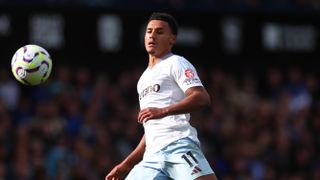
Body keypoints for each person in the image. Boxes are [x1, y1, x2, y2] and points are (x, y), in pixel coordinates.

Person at [106, 12, 217, 180]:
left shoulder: (176, 62)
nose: (152, 36)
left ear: (172, 39)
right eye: (149, 31)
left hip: (179, 144)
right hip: (152, 158)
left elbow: (201, 97)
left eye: (159, 32)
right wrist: (127, 164)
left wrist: (162, 111)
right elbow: (151, 131)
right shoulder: (142, 80)